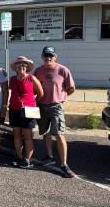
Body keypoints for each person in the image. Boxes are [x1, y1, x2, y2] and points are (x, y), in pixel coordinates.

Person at [34, 46, 76, 178]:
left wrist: (60, 97)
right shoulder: (38, 71)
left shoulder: (63, 70)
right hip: (42, 105)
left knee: (59, 133)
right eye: (45, 55)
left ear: (55, 57)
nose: (48, 58)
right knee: (45, 132)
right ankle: (49, 156)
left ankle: (64, 164)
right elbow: (35, 88)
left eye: (50, 56)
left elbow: (71, 88)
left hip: (56, 106)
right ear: (42, 57)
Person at [8, 56, 44, 169]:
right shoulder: (13, 79)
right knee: (17, 135)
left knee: (28, 136)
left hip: (29, 110)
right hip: (14, 109)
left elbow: (40, 93)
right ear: (16, 67)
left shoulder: (31, 78)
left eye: (24, 65)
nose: (21, 66)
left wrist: (32, 102)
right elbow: (10, 92)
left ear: (27, 67)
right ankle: (19, 157)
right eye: (19, 65)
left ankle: (27, 159)